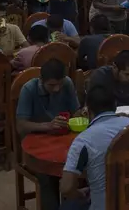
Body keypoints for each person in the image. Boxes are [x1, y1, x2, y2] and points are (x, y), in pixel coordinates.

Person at [59, 70, 129, 210]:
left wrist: (77, 194)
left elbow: (66, 187)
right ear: (115, 106)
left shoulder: (83, 140)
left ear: (88, 111)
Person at [17, 58, 81, 210]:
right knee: (47, 176)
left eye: (60, 84)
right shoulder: (29, 89)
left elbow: (76, 111)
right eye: (52, 85)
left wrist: (80, 115)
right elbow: (20, 126)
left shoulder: (67, 83)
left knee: (80, 169)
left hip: (62, 140)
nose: (57, 89)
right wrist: (47, 126)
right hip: (36, 144)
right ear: (41, 80)